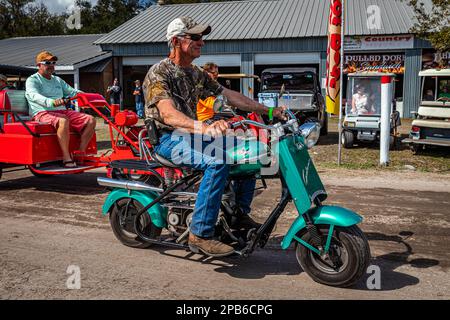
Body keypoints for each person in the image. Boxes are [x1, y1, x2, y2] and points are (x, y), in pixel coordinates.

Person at [143, 16, 286, 257]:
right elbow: (168, 115)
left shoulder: (195, 73)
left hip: (190, 135)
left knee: (249, 151)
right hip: (169, 138)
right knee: (217, 161)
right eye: (196, 38)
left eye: (202, 38)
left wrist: (269, 110)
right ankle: (199, 233)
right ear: (177, 41)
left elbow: (229, 95)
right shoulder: (159, 73)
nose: (202, 42)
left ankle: (237, 213)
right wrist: (204, 127)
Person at [25, 50, 96, 168]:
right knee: (63, 120)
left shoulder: (57, 80)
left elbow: (72, 91)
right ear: (39, 65)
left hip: (61, 111)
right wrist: (51, 102)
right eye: (47, 62)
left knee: (90, 120)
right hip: (42, 111)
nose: (51, 65)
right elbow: (34, 96)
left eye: (53, 62)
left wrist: (87, 97)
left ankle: (80, 153)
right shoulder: (33, 80)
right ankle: (66, 157)